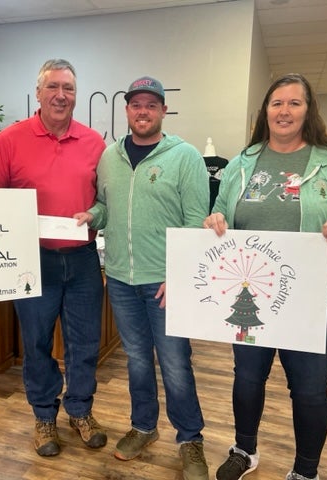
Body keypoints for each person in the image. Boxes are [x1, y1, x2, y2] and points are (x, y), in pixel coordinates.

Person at [203, 73, 327, 480]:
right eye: (277, 103)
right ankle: (245, 450)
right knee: (247, 378)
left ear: (308, 110)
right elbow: (221, 212)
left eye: (294, 103)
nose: (284, 111)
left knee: (310, 389)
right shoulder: (243, 162)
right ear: (265, 111)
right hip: (251, 292)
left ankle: (305, 471)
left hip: (312, 298)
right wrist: (217, 220)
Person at [79, 76, 210, 480]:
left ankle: (190, 439)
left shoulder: (184, 157)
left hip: (165, 281)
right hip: (119, 277)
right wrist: (91, 217)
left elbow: (196, 223)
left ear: (163, 111)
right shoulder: (110, 157)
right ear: (127, 111)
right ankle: (143, 427)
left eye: (151, 105)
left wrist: (181, 274)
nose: (143, 111)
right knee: (137, 360)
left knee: (174, 363)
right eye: (136, 104)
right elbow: (106, 206)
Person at [0, 58, 107, 457]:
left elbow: (105, 200)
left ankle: (81, 411)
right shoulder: (9, 140)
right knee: (36, 344)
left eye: (68, 88)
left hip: (84, 259)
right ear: (38, 93)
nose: (61, 95)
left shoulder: (94, 143)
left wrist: (96, 214)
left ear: (75, 95)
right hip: (32, 261)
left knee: (84, 343)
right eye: (53, 87)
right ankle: (43, 416)